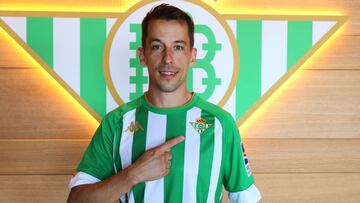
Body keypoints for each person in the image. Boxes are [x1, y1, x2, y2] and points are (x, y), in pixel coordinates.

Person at [67, 3, 261, 203]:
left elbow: (246, 199)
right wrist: (133, 174)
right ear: (142, 55)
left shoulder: (221, 124)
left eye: (178, 47)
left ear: (192, 56)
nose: (168, 58)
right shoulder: (116, 123)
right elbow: (76, 200)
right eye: (157, 47)